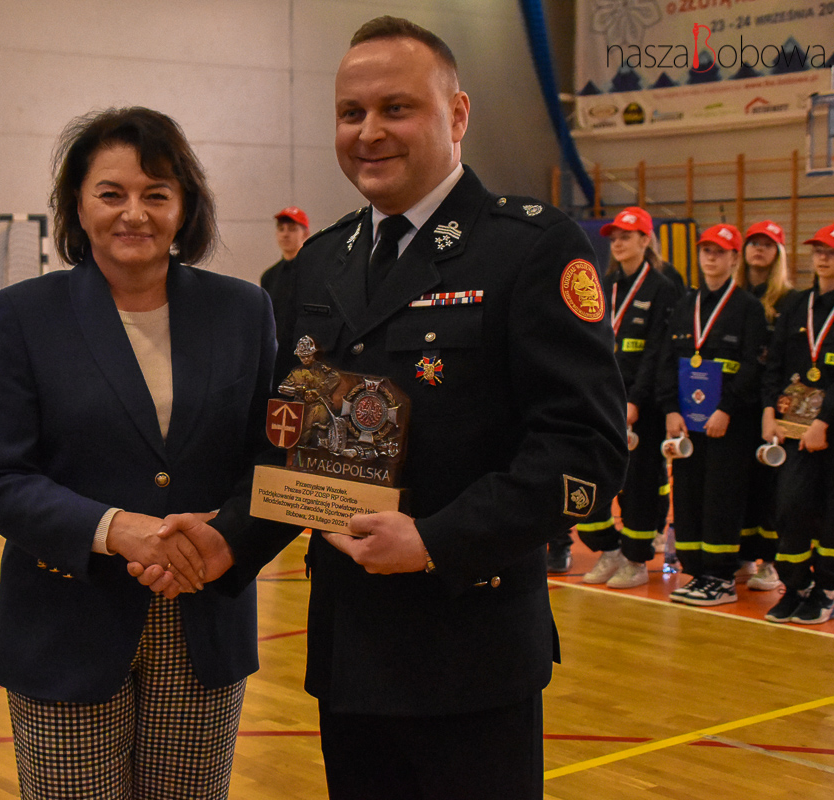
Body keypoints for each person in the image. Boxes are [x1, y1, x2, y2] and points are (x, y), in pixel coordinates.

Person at [131, 16, 627, 798]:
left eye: (397, 108)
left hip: (470, 654)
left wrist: (434, 540)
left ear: (456, 115)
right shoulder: (321, 261)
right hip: (351, 653)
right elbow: (297, 443)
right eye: (350, 112)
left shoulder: (529, 248)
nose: (369, 132)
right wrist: (230, 539)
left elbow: (585, 454)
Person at [0, 106, 277, 799]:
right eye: (111, 193)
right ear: (78, 205)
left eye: (156, 194)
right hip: (68, 623)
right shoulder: (25, 315)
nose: (134, 213)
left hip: (203, 616)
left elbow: (273, 459)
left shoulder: (243, 311)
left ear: (184, 207)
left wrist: (226, 537)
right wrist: (115, 529)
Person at [762, 222, 834, 624]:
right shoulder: (796, 304)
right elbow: (775, 363)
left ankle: (826, 590)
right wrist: (768, 410)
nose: (823, 258)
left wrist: (824, 421)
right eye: (818, 251)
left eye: (832, 252)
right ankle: (796, 586)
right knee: (791, 504)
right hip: (795, 428)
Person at [657, 223, 768, 605]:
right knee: (688, 496)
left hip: (728, 425)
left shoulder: (748, 308)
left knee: (722, 498)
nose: (711, 257)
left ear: (734, 258)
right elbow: (667, 360)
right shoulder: (685, 305)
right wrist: (670, 409)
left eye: (720, 251)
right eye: (706, 250)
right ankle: (698, 572)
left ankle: (721, 578)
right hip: (688, 424)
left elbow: (753, 366)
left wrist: (726, 409)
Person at [576, 206, 680, 589]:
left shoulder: (663, 288)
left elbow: (658, 352)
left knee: (638, 484)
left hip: (642, 406)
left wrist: (635, 400)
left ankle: (635, 559)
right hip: (603, 401)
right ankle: (608, 549)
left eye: (626, 236)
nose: (618, 243)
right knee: (591, 476)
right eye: (614, 237)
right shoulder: (605, 285)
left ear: (645, 240)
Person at [733, 219, 795, 592]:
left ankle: (770, 562)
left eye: (767, 244)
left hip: (771, 406)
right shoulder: (733, 295)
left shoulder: (790, 301)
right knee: (741, 483)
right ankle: (743, 555)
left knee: (772, 486)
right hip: (737, 404)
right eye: (753, 243)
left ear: (778, 253)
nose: (759, 250)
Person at [261, 206, 311, 378]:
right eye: (281, 229)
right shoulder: (269, 276)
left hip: (306, 360)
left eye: (292, 229)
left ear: (305, 234)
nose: (285, 234)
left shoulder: (315, 272)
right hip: (277, 358)